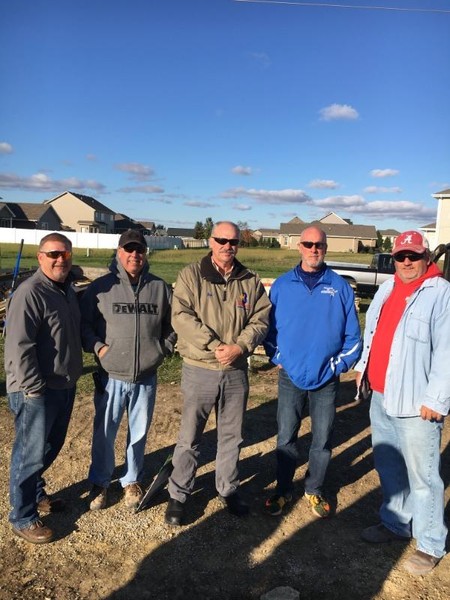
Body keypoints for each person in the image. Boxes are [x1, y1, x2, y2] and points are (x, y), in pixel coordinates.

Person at [355, 230, 450, 575]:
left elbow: (447, 353)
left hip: (417, 403)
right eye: (400, 256)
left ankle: (430, 542)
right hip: (380, 395)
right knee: (389, 465)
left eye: (413, 255)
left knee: (424, 476)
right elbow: (375, 334)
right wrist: (363, 368)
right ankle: (396, 522)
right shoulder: (386, 288)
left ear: (426, 257)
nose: (407, 262)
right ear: (393, 258)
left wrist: (437, 399)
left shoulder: (440, 294)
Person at [165, 221, 271, 526]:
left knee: (232, 435)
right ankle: (179, 493)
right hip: (200, 368)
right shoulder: (191, 275)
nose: (228, 246)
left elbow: (261, 319)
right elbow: (181, 316)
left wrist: (240, 346)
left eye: (233, 241)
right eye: (222, 240)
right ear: (211, 241)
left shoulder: (249, 280)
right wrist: (215, 346)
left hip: (236, 370)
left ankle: (227, 488)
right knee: (189, 436)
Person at [263, 226, 361, 518]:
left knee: (322, 439)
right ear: (299, 247)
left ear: (326, 248)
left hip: (326, 380)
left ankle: (314, 489)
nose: (314, 249)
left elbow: (354, 339)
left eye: (319, 244)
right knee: (286, 437)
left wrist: (336, 366)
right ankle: (282, 489)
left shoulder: (340, 287)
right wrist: (278, 357)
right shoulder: (282, 285)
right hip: (290, 376)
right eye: (308, 244)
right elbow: (267, 330)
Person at [80, 229, 175, 511]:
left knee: (139, 431)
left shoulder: (159, 288)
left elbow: (173, 325)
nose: (135, 255)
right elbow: (84, 325)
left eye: (140, 250)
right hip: (111, 374)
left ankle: (132, 479)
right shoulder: (101, 288)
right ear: (119, 253)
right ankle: (100, 481)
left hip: (146, 374)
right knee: (105, 431)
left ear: (146, 254)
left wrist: (163, 349)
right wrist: (98, 348)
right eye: (129, 249)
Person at [5, 233, 83, 544]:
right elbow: (19, 347)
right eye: (52, 254)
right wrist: (33, 389)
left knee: (50, 447)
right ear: (40, 257)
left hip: (63, 384)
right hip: (35, 389)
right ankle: (22, 516)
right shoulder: (30, 293)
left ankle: (36, 494)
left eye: (64, 253)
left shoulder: (67, 291)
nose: (59, 259)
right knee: (29, 453)